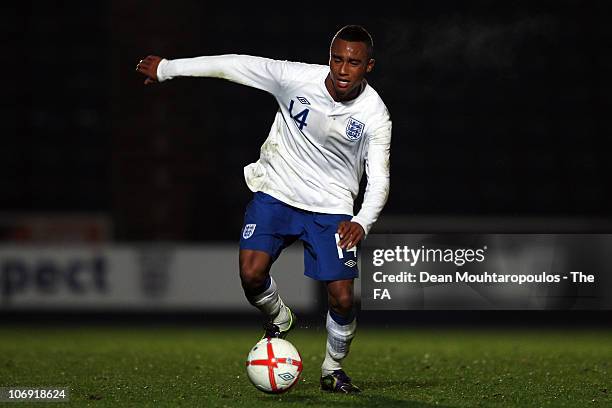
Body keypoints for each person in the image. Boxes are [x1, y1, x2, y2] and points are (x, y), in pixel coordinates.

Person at [136, 24, 391, 394]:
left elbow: (379, 178)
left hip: (332, 206)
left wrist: (362, 222)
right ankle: (278, 316)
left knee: (343, 297)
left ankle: (332, 369)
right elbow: (235, 65)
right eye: (336, 58)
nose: (341, 69)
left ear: (368, 66)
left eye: (353, 62)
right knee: (251, 274)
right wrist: (167, 68)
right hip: (277, 191)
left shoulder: (375, 114)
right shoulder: (295, 78)